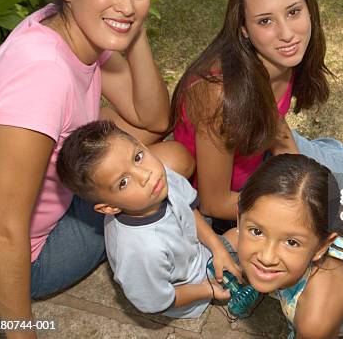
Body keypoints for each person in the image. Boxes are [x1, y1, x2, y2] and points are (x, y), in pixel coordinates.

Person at [0, 0, 189, 335]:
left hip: (50, 195)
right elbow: (2, 231)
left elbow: (153, 119)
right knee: (170, 166)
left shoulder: (64, 29)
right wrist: (20, 331)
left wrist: (131, 31)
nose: (125, 3)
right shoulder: (42, 79)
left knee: (162, 155)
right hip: (24, 256)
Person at [170, 0, 332, 222]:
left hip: (261, 169)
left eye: (293, 12)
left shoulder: (283, 58)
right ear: (244, 29)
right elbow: (214, 202)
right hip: (217, 209)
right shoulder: (218, 94)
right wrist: (299, 212)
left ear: (309, 9)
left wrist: (303, 184)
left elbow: (276, 124)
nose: (287, 33)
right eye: (265, 21)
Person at [56, 120, 241, 318]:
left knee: (251, 237)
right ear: (110, 207)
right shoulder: (140, 250)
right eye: (123, 182)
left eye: (137, 157)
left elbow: (187, 207)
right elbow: (156, 301)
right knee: (250, 252)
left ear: (142, 146)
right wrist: (208, 290)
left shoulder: (158, 180)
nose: (144, 175)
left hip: (198, 252)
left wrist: (217, 247)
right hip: (192, 287)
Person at [224, 154, 343, 338]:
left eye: (291, 242)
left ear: (322, 247)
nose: (267, 257)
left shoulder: (315, 321)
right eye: (257, 231)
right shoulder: (303, 238)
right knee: (231, 243)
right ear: (239, 220)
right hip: (331, 243)